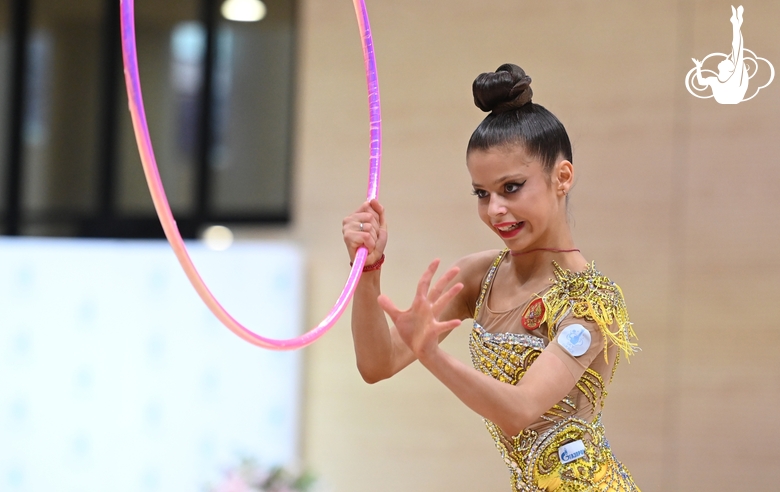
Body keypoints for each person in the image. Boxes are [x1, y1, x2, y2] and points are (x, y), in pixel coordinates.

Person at [342, 63, 640, 492]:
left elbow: (519, 409)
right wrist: (368, 268)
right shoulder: (479, 276)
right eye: (482, 194)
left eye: (511, 187)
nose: (495, 209)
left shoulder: (591, 299)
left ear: (563, 177)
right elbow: (377, 364)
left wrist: (431, 353)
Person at [692, 5, 748, 104]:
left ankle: (736, 23)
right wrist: (698, 67)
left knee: (737, 50)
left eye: (727, 61)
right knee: (737, 51)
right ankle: (736, 23)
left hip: (732, 97)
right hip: (730, 98)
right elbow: (701, 82)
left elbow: (737, 48)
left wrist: (698, 67)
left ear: (729, 69)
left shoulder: (733, 77)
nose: (725, 59)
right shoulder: (715, 80)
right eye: (728, 60)